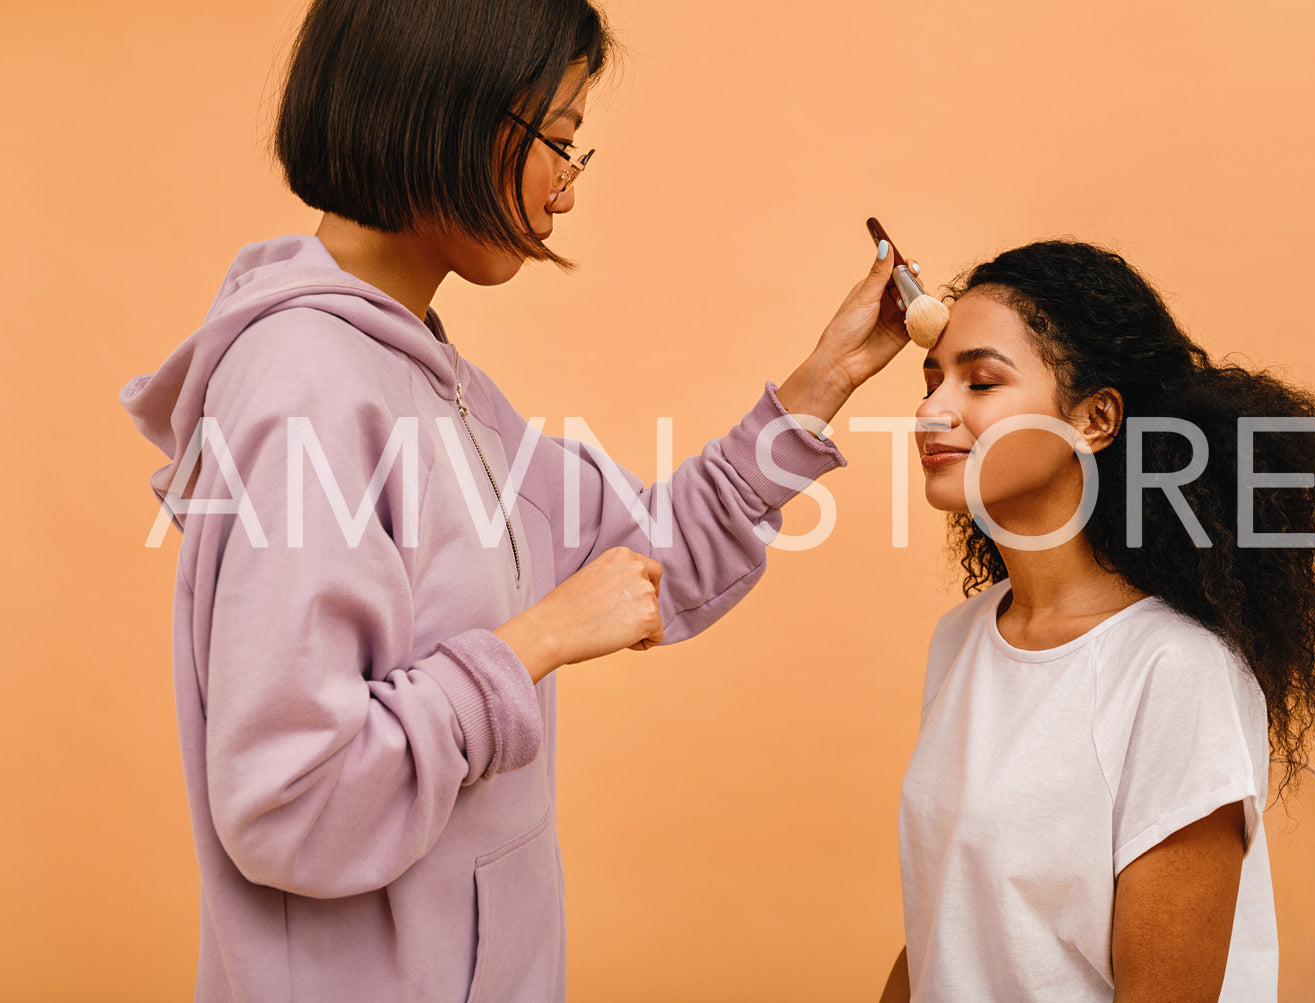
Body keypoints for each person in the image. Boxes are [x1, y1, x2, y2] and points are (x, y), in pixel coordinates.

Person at [119, 1, 911, 999]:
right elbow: (292, 802)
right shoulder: (308, 388)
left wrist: (818, 385)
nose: (566, 194)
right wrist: (527, 645)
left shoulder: (430, 379)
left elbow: (649, 557)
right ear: (454, 114)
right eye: (561, 142)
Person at [879, 241, 1315, 1001]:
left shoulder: (1175, 670)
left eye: (980, 380)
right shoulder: (963, 637)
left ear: (1094, 419)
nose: (931, 410)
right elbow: (951, 929)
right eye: (932, 378)